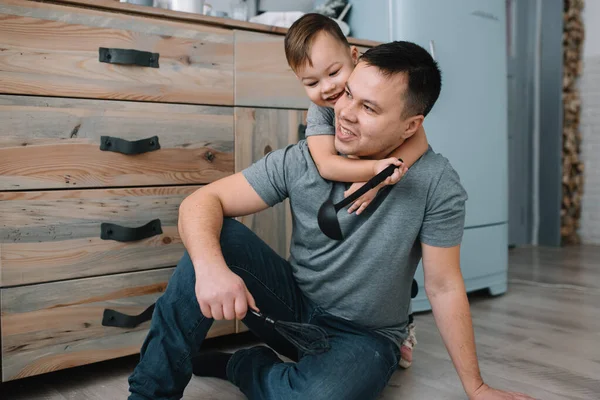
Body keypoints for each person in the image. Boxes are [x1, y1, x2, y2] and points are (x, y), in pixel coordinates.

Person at [127, 40, 535, 400]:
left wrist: (476, 388)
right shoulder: (305, 157)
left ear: (411, 126)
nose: (346, 114)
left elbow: (444, 285)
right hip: (293, 307)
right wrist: (212, 268)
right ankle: (150, 394)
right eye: (348, 95)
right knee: (214, 241)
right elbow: (200, 202)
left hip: (364, 336)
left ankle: (243, 366)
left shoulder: (436, 183)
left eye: (369, 108)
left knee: (319, 394)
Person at [283, 13, 426, 367]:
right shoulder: (319, 114)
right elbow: (327, 165)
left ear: (355, 56)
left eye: (334, 74)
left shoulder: (379, 84)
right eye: (311, 82)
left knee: (389, 258)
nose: (328, 89)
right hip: (346, 201)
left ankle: (401, 322)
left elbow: (419, 142)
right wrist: (372, 173)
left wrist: (378, 181)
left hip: (385, 196)